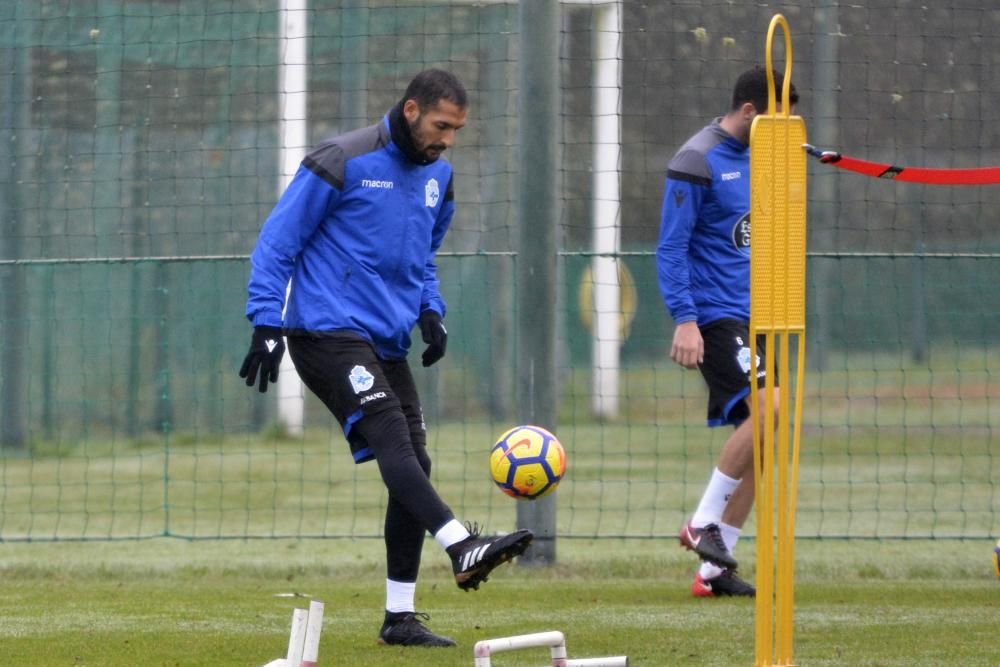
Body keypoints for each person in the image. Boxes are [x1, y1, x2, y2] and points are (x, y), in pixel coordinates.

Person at [239, 68, 533, 647]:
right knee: (392, 440)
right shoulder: (341, 159)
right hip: (325, 331)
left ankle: (399, 617)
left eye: (457, 130)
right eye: (441, 126)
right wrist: (266, 322)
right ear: (410, 111)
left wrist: (431, 309)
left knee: (413, 467)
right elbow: (278, 242)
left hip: (387, 339)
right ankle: (461, 544)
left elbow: (424, 254)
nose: (448, 140)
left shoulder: (439, 178)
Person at [656, 65, 798, 598]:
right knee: (773, 408)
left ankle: (715, 570)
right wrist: (685, 320)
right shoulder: (697, 159)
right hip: (714, 316)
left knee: (766, 438)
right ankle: (703, 523)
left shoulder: (767, 154)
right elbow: (671, 246)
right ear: (749, 113)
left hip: (756, 315)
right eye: (776, 122)